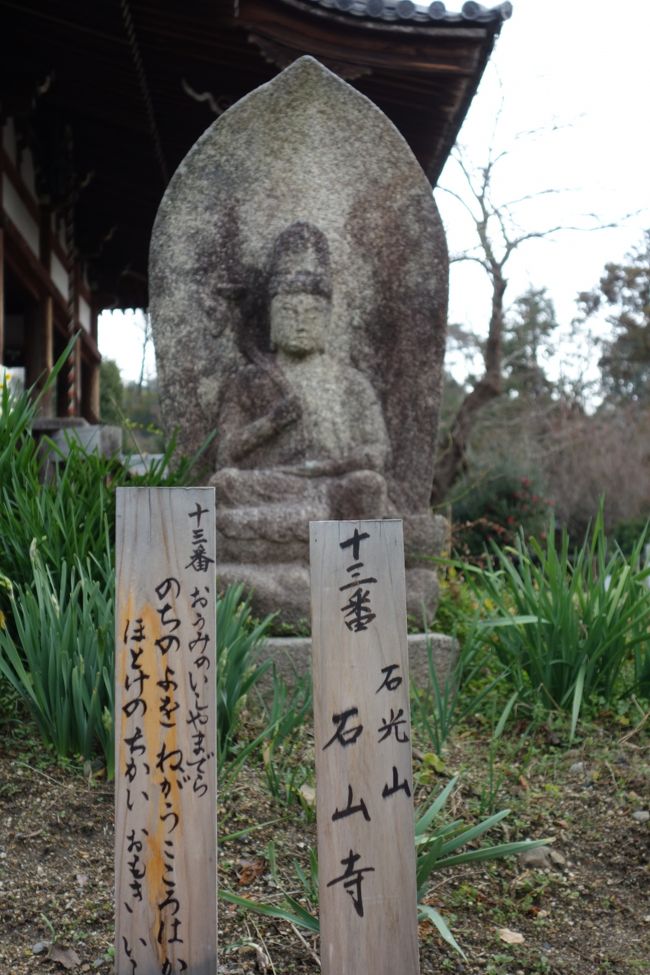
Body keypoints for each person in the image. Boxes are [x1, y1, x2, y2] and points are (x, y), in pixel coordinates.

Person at [212, 221, 390, 561]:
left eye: (312, 313)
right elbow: (226, 455)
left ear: (329, 319)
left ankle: (312, 537)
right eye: (288, 312)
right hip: (274, 486)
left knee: (369, 485)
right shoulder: (249, 380)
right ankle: (320, 533)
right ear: (271, 319)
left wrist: (329, 467)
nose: (300, 322)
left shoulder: (352, 383)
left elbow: (377, 453)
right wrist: (271, 422)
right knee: (225, 484)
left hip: (333, 485)